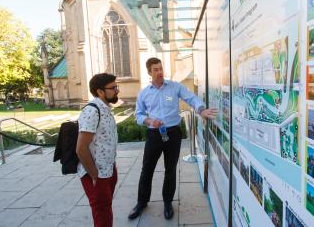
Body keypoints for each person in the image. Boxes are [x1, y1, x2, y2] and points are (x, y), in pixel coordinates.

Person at [128, 57, 217, 220]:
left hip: (173, 133)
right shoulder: (144, 93)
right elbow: (139, 115)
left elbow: (191, 98)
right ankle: (141, 202)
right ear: (149, 72)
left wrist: (201, 109)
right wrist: (149, 121)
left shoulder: (175, 87)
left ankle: (168, 202)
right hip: (154, 134)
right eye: (155, 70)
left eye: (161, 68)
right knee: (147, 169)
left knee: (170, 169)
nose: (159, 72)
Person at [76, 73, 120, 227]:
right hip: (97, 174)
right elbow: (81, 148)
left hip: (108, 169)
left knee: (105, 209)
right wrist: (94, 175)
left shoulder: (105, 108)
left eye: (116, 86)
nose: (117, 90)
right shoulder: (92, 111)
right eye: (113, 87)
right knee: (102, 214)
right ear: (100, 91)